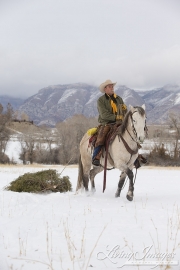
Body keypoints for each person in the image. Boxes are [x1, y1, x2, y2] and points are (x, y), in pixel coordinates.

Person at [92, 79, 127, 166]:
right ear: (105, 89)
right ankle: (96, 156)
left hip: (120, 122)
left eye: (112, 86)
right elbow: (104, 115)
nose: (112, 88)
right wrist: (116, 117)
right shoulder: (101, 100)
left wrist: (124, 109)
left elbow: (124, 111)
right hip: (107, 123)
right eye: (110, 86)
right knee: (101, 137)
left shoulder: (119, 98)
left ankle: (135, 156)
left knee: (131, 133)